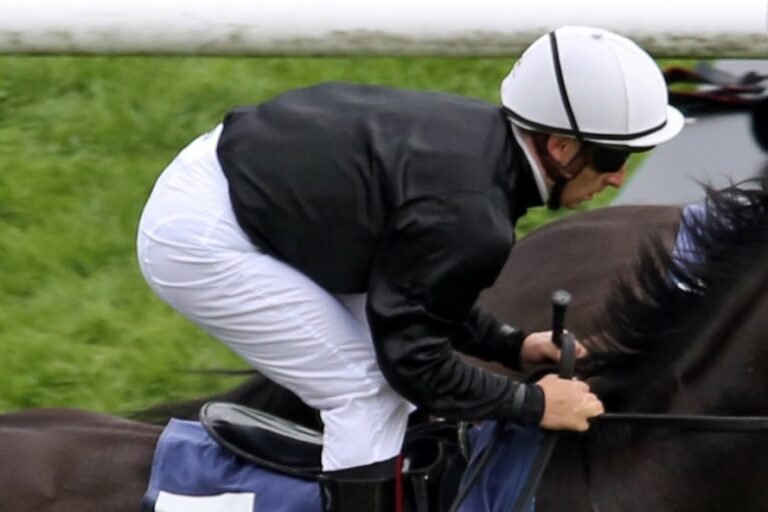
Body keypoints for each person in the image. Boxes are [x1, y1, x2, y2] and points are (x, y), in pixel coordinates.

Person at [136, 26, 683, 511]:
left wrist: (509, 345)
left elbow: (414, 288)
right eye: (614, 157)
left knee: (381, 387)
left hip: (252, 190)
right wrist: (533, 403)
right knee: (366, 391)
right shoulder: (472, 212)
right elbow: (412, 363)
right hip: (203, 235)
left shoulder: (486, 151)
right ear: (561, 148)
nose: (618, 178)